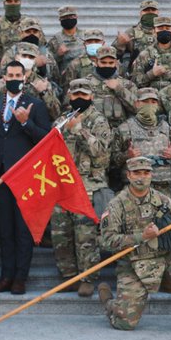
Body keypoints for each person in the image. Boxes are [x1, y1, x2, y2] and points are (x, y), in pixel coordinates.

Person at [97, 156, 171, 334]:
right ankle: (108, 301)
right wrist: (141, 236)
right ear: (128, 175)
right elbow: (106, 241)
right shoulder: (116, 205)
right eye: (137, 173)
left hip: (165, 258)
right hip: (134, 264)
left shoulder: (163, 200)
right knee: (125, 323)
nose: (141, 177)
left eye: (146, 172)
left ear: (151, 175)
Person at [0, 60, 53, 294]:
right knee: (4, 229)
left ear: (24, 78)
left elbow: (45, 139)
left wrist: (26, 123)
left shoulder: (35, 105)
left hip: (26, 177)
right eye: (10, 74)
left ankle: (20, 277)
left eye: (18, 74)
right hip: (1, 177)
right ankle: (6, 275)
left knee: (22, 230)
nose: (14, 78)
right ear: (3, 78)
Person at [50, 80, 110, 296]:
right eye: (75, 95)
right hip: (62, 186)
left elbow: (101, 152)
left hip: (88, 187)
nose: (79, 99)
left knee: (85, 235)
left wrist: (80, 130)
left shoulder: (99, 121)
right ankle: (68, 276)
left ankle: (87, 277)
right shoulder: (61, 120)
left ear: (91, 97)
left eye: (83, 95)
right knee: (60, 233)